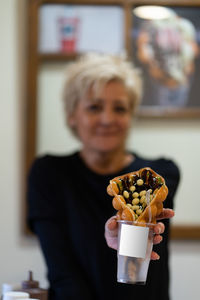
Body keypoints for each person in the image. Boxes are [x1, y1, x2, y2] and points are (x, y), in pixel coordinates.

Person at [27, 53, 180, 300]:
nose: (108, 119)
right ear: (72, 115)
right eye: (94, 107)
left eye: (119, 108)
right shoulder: (50, 174)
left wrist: (124, 229)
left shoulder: (157, 176)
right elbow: (63, 272)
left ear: (131, 116)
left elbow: (139, 250)